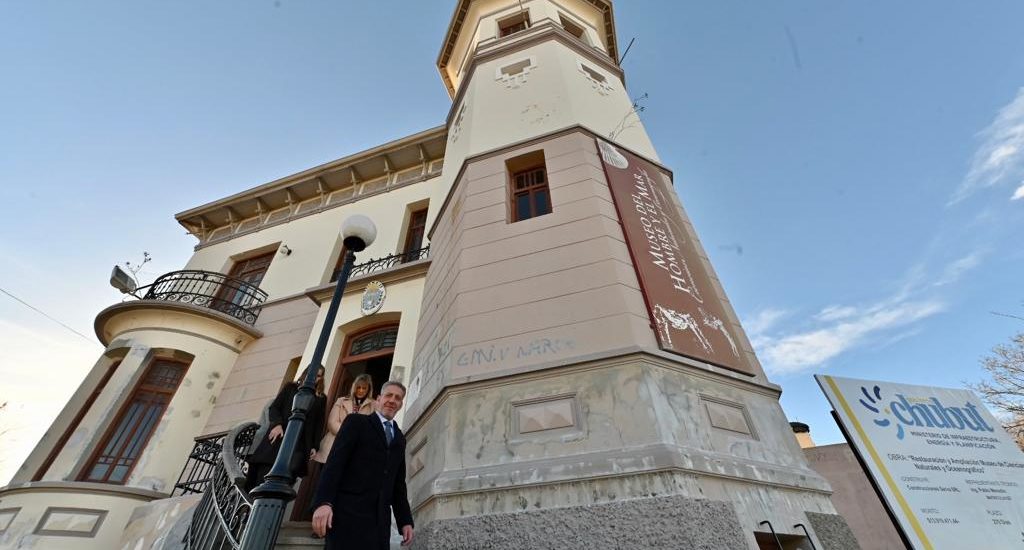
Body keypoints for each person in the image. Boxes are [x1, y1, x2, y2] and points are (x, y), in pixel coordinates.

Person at [312, 380, 414, 549]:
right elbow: (334, 464)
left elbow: (398, 484)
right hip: (348, 515)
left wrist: (405, 521)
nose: (392, 400)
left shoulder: (400, 439)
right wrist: (324, 502)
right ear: (379, 399)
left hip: (380, 524)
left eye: (397, 398)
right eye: (388, 395)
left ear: (400, 404)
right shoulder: (356, 423)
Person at [299, 374, 376, 532]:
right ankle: (316, 525)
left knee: (343, 488)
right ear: (354, 387)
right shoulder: (341, 401)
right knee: (325, 485)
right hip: (332, 448)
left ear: (369, 389)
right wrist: (350, 435)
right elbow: (332, 422)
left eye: (364, 388)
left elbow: (371, 427)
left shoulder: (373, 405)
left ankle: (331, 525)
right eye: (359, 387)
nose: (361, 391)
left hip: (355, 453)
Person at [245, 366, 327, 493]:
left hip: (300, 444)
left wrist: (314, 446)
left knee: (286, 480)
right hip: (278, 437)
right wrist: (277, 425)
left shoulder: (321, 398)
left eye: (319, 376)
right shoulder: (290, 388)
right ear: (306, 373)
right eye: (313, 374)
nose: (315, 378)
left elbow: (319, 423)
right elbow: (274, 408)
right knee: (262, 478)